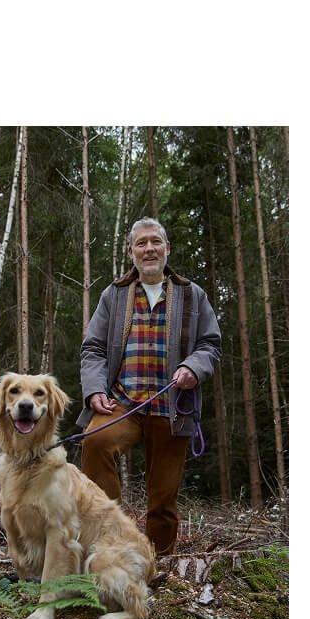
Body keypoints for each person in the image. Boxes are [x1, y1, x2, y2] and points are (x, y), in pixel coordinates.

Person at [77, 217, 221, 556]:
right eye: (141, 243)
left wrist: (193, 367)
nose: (149, 249)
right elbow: (92, 348)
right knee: (96, 440)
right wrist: (95, 389)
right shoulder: (114, 295)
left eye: (155, 241)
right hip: (122, 403)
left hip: (173, 408)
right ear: (131, 252)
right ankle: (110, 547)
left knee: (163, 498)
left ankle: (158, 563)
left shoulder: (191, 294)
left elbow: (210, 344)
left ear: (167, 248)